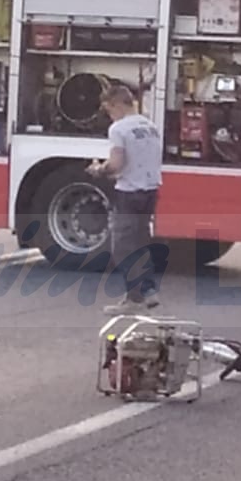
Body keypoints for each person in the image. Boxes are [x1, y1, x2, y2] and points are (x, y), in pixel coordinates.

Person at [90, 85, 167, 315]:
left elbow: (116, 164)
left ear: (116, 104)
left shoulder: (119, 129)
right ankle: (148, 291)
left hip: (129, 192)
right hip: (150, 190)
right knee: (140, 242)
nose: (108, 115)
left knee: (122, 246)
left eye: (108, 110)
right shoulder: (150, 126)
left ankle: (136, 297)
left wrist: (98, 169)